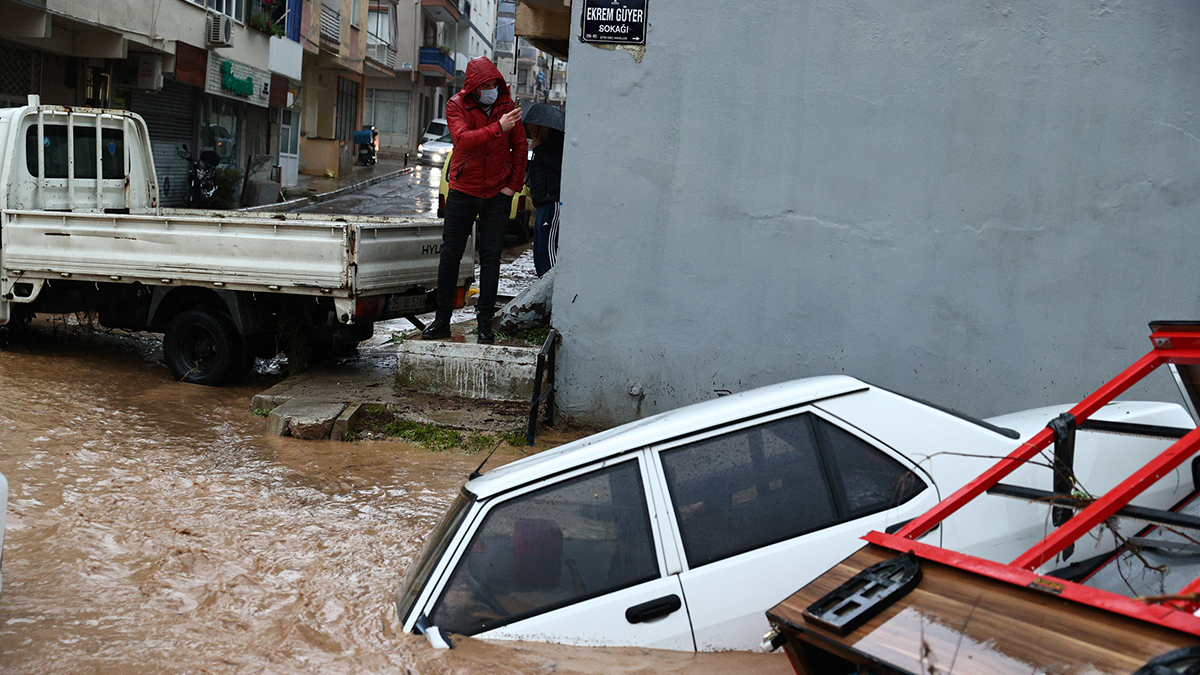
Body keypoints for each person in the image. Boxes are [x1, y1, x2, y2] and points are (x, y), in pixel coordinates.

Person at [422, 57, 527, 344]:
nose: (491, 89)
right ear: (474, 87)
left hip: (497, 193)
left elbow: (520, 147)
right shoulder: (456, 105)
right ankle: (442, 321)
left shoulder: (506, 106)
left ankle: (484, 325)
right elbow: (462, 139)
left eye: (494, 83)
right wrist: (498, 128)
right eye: (486, 85)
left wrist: (512, 187)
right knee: (450, 256)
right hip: (463, 189)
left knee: (491, 258)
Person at [523, 103, 565, 277]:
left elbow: (559, 166)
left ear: (545, 128)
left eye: (534, 130)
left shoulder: (557, 144)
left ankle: (552, 286)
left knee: (548, 252)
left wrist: (539, 148)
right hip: (541, 202)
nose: (532, 134)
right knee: (539, 251)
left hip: (552, 201)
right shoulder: (542, 144)